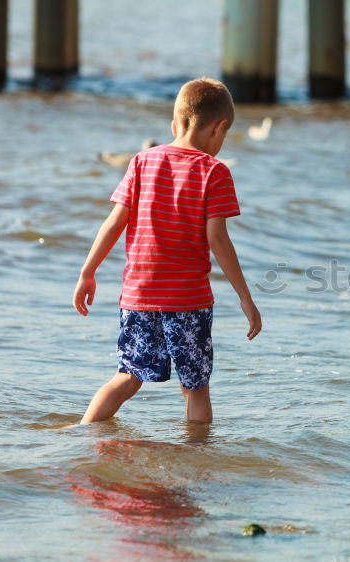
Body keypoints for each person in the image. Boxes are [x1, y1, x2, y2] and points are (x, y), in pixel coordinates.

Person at [72, 77, 261, 425]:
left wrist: (88, 272)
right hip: (187, 300)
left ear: (175, 124)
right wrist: (245, 298)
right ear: (219, 128)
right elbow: (218, 239)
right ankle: (194, 459)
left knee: (128, 376)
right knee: (196, 387)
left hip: (138, 295)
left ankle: (82, 434)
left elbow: (113, 223)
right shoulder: (214, 171)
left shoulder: (142, 162)